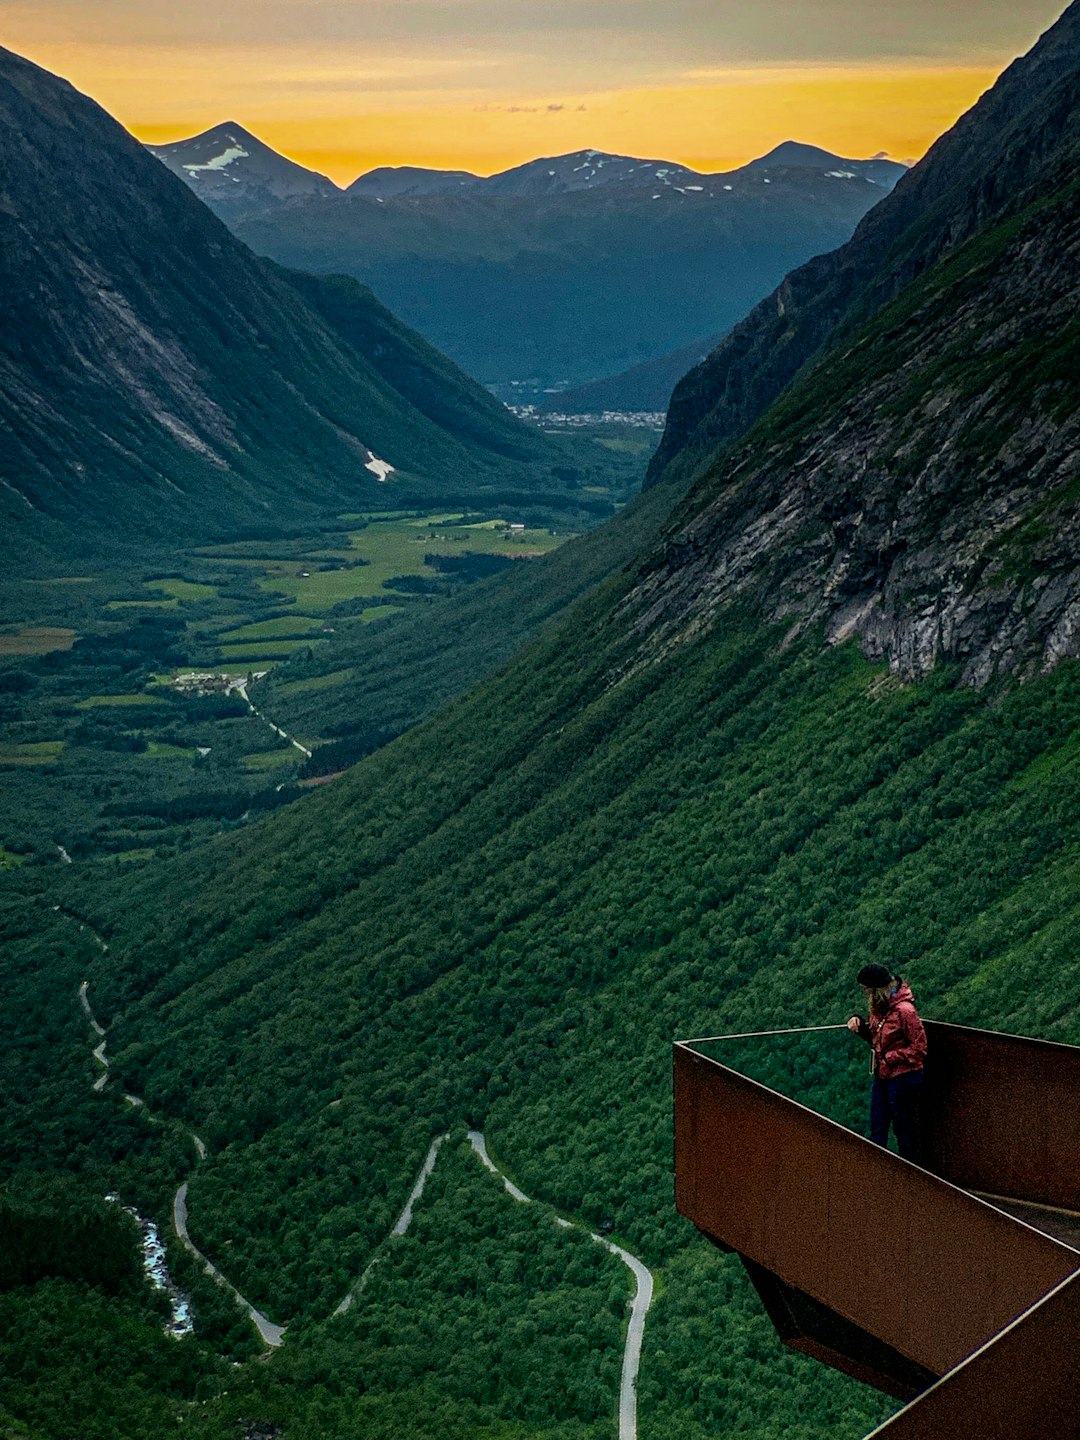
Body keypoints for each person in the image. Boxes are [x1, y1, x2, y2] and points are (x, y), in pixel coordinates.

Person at [847, 963, 927, 1162]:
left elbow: (920, 1049)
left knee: (904, 1130)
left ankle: (910, 1175)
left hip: (904, 1077)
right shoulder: (879, 1008)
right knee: (878, 1127)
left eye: (866, 989)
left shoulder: (905, 1011)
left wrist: (891, 1057)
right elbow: (878, 1039)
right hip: (883, 1075)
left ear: (875, 989)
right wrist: (861, 1027)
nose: (864, 993)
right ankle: (878, 1173)